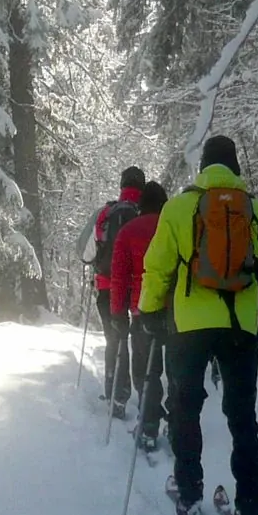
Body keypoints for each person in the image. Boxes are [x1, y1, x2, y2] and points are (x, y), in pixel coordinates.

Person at [135, 135, 258, 515]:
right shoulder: (257, 212)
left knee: (185, 408)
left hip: (189, 327)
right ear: (236, 168)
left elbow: (158, 267)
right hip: (241, 326)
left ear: (202, 167)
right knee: (242, 415)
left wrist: (149, 310)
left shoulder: (179, 207)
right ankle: (250, 510)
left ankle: (188, 493)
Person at [109, 181, 171, 452]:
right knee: (178, 373)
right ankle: (178, 423)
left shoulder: (128, 231)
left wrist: (117, 314)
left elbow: (119, 278)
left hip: (142, 311)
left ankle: (148, 426)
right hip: (178, 312)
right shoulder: (175, 227)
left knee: (147, 372)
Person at [80, 166, 146, 413]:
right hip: (142, 288)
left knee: (115, 339)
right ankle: (145, 397)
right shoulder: (148, 212)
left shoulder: (105, 213)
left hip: (109, 286)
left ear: (121, 186)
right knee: (141, 341)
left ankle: (117, 396)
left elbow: (85, 253)